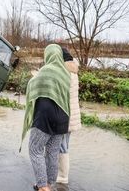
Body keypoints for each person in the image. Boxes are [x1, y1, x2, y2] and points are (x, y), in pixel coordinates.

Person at [20, 44, 71, 191]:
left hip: (45, 116)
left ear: (48, 55)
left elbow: (32, 85)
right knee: (52, 153)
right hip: (63, 117)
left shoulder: (46, 70)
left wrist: (35, 76)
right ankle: (50, 184)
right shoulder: (65, 73)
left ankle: (42, 186)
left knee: (35, 149)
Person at [56, 48, 82, 184]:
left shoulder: (65, 73)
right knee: (64, 145)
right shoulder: (73, 72)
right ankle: (61, 174)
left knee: (62, 146)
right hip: (72, 115)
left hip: (65, 115)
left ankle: (62, 177)